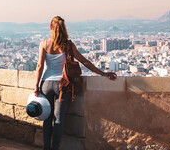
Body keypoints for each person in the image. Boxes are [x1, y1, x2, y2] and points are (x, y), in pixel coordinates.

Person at [34, 16, 116, 150]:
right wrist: (103, 73)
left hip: (46, 84)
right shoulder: (68, 45)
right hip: (62, 85)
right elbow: (85, 62)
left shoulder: (44, 44)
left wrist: (37, 86)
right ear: (64, 29)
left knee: (47, 118)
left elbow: (39, 66)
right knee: (59, 119)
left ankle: (46, 148)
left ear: (50, 27)